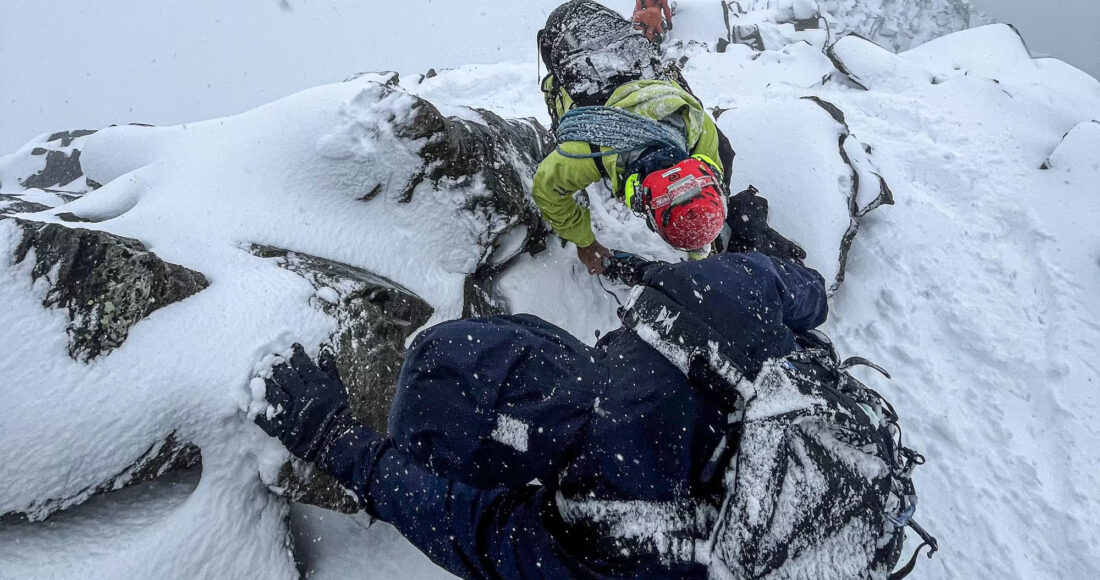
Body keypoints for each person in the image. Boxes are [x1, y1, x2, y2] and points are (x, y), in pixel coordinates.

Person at [254, 251, 831, 579]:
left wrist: (332, 437)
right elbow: (808, 293)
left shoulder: (587, 539)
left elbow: (456, 522)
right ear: (541, 336)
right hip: (849, 469)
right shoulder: (697, 298)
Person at [535, 0, 735, 275]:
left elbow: (689, 196)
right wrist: (584, 241)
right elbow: (546, 189)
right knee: (562, 91)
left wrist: (699, 241)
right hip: (563, 34)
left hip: (605, 25)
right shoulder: (588, 148)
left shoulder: (695, 125)